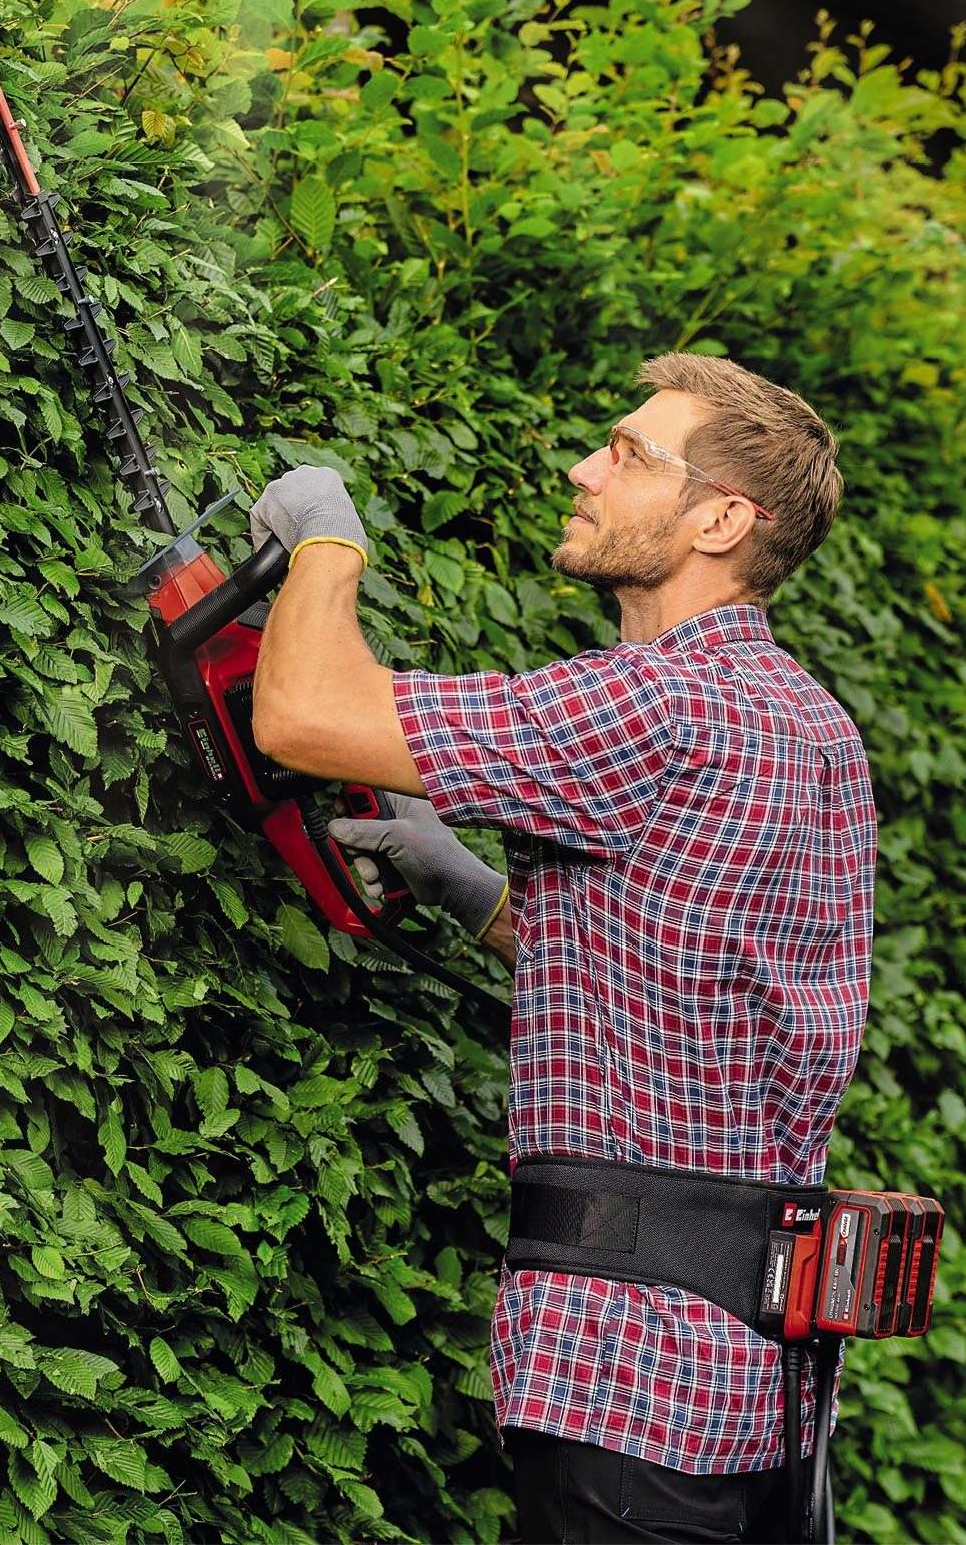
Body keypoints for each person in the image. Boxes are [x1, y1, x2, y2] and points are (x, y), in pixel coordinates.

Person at [249, 351, 876, 1545]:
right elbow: (687, 971)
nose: (586, 468)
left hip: (629, 1379)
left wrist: (327, 534)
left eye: (632, 453)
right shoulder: (815, 727)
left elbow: (303, 711)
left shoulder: (653, 703)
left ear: (722, 519)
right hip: (761, 1395)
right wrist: (471, 887)